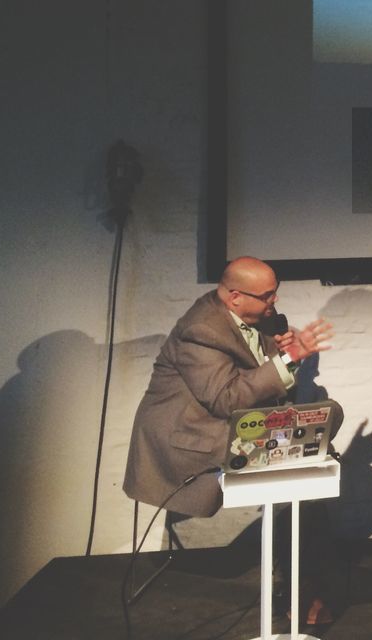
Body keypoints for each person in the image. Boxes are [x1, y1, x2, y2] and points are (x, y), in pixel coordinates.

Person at [123, 256, 340, 623]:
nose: (275, 303)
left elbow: (258, 368)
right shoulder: (200, 330)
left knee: (326, 423)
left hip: (240, 426)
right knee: (301, 486)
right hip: (197, 438)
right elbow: (226, 399)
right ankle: (303, 592)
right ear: (235, 297)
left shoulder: (258, 318)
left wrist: (280, 350)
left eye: (275, 293)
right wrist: (287, 356)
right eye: (267, 296)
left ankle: (303, 587)